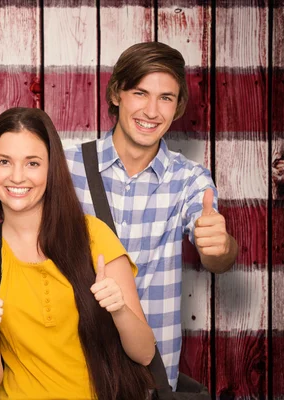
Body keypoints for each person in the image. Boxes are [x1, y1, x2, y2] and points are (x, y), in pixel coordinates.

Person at [65, 41, 239, 391]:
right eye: (140, 92)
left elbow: (218, 256)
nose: (151, 110)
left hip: (150, 377)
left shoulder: (190, 180)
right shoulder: (66, 169)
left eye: (166, 98)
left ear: (177, 108)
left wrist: (219, 247)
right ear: (116, 94)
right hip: (71, 367)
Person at [0, 107, 156, 400]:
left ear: (52, 168)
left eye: (32, 163)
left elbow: (145, 353)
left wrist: (119, 310)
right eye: (4, 162)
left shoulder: (94, 236)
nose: (17, 176)